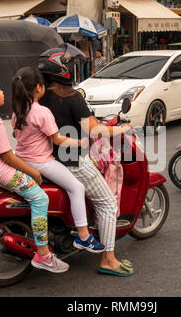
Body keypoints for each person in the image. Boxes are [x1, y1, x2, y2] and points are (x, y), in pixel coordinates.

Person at [0, 75, 69, 273]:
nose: (3, 93)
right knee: (40, 198)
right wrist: (32, 171)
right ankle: (44, 254)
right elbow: (7, 157)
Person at [38, 47, 135, 277]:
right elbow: (93, 130)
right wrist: (122, 128)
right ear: (63, 69)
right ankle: (109, 260)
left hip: (46, 160)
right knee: (108, 203)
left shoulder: (39, 97)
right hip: (72, 161)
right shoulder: (71, 97)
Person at [11, 67, 105, 253]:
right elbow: (58, 139)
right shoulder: (42, 112)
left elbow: (17, 136)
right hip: (42, 162)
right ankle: (84, 237)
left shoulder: (18, 111)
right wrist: (81, 141)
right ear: (39, 88)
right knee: (77, 188)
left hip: (22, 159)